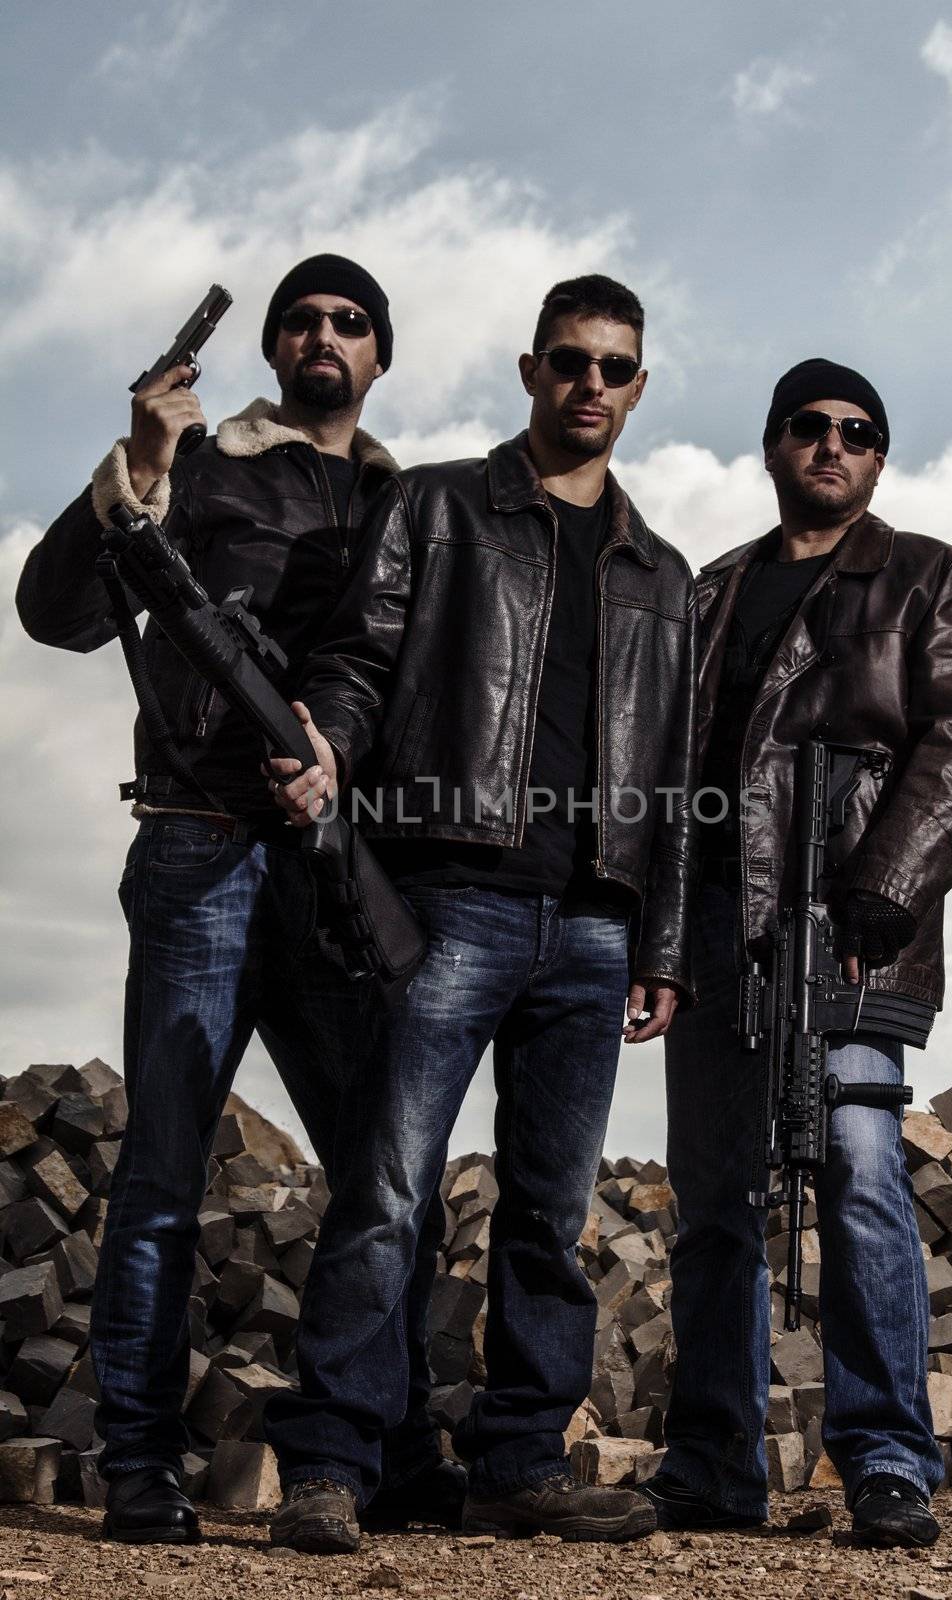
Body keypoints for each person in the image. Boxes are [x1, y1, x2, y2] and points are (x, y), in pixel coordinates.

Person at [15, 254, 462, 1545]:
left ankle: (383, 1450)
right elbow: (56, 615)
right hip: (198, 846)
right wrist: (139, 466)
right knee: (161, 1176)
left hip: (334, 870)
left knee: (387, 1181)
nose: (325, 333)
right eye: (302, 319)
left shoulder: (409, 503)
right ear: (272, 348)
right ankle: (140, 1468)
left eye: (351, 320)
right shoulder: (194, 464)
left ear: (379, 355)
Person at [262, 274, 699, 1551]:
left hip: (593, 927)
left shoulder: (660, 574)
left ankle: (516, 1462)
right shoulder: (438, 503)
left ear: (636, 386)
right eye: (568, 360)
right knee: (387, 1188)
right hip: (448, 896)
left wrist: (657, 943)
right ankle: (332, 1463)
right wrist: (328, 744)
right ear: (528, 370)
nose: (589, 385)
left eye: (613, 367)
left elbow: (672, 782)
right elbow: (356, 659)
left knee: (549, 1213)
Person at [641, 358, 952, 1547]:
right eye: (808, 425)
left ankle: (888, 1457)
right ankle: (708, 1462)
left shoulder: (922, 576)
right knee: (713, 1201)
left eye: (857, 430)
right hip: (715, 931)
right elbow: (660, 776)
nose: (832, 444)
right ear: (771, 444)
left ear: (878, 456)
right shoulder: (705, 594)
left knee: (854, 1160)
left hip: (854, 933)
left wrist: (881, 884)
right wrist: (661, 937)